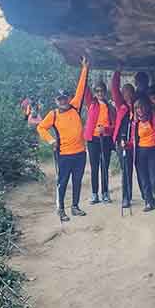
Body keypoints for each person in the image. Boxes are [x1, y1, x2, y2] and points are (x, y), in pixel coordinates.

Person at [37, 58, 90, 222]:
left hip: (80, 153)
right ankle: (60, 209)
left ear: (68, 98)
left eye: (65, 98)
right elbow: (40, 127)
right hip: (64, 154)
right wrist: (51, 141)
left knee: (77, 180)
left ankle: (75, 206)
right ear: (56, 101)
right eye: (60, 99)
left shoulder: (75, 106)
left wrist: (85, 69)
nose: (63, 101)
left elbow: (80, 89)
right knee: (63, 181)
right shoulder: (53, 114)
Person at [85, 77, 115, 204]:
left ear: (105, 92)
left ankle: (105, 193)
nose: (99, 93)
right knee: (94, 167)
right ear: (94, 92)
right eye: (97, 91)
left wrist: (106, 129)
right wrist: (85, 69)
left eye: (101, 91)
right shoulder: (91, 103)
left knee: (104, 166)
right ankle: (94, 194)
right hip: (93, 139)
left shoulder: (110, 107)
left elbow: (114, 126)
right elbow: (84, 89)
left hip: (106, 139)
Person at [134, 96, 155, 211]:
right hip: (140, 151)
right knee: (144, 178)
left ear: (146, 107)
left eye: (141, 107)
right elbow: (134, 138)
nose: (140, 110)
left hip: (153, 150)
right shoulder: (135, 122)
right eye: (137, 108)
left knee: (154, 178)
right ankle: (149, 202)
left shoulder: (153, 117)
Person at [111, 69, 136, 209]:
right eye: (125, 92)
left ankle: (137, 195)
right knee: (125, 169)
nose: (127, 94)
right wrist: (117, 72)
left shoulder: (137, 105)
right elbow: (114, 87)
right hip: (121, 143)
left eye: (130, 91)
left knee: (132, 169)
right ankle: (126, 197)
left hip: (133, 143)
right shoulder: (120, 104)